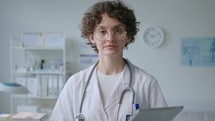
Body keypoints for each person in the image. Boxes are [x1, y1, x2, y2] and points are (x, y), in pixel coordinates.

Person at [50, 1, 167, 121]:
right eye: (102, 31)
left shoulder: (146, 83)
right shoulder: (75, 84)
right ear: (91, 37)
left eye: (117, 31)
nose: (110, 38)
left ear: (128, 36)